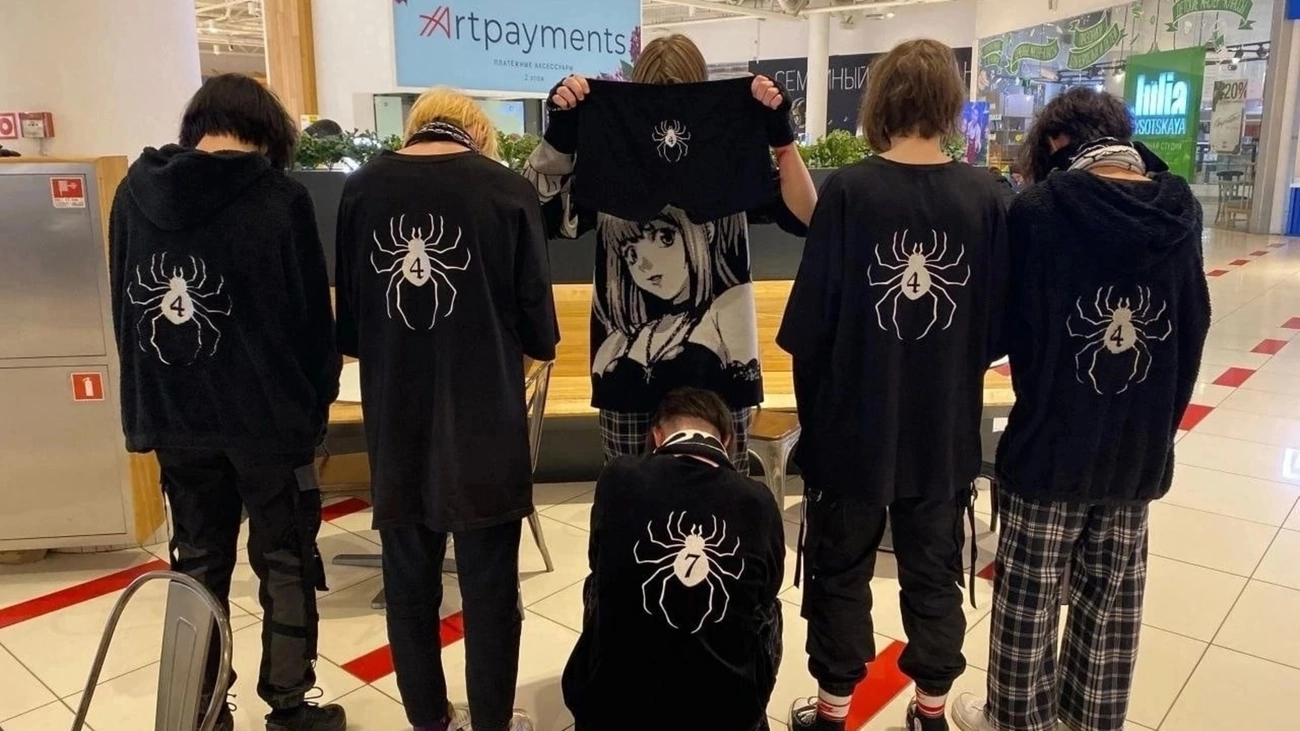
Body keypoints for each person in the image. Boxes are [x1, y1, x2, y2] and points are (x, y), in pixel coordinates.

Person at [951, 88, 1210, 731]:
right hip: (1137, 450)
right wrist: (1159, 424)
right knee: (1111, 602)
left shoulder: (1040, 212)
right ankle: (1090, 719)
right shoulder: (1181, 212)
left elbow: (1005, 328)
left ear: (1057, 142)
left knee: (1029, 598)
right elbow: (1194, 326)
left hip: (1051, 441)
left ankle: (1015, 719)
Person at [777, 40, 1009, 731]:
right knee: (934, 570)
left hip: (852, 427)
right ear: (948, 102)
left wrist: (817, 424)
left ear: (879, 100)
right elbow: (995, 330)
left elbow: (810, 328)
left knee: (840, 569)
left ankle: (832, 710)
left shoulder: (850, 193)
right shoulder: (985, 197)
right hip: (943, 429)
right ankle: (931, 710)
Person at [107, 73, 344, 731]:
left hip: (175, 418)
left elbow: (125, 306)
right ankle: (290, 704)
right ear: (269, 132)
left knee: (197, 562)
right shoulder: (280, 197)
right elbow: (310, 322)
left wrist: (148, 402)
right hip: (270, 422)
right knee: (285, 560)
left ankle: (201, 709)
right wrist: (316, 402)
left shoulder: (133, 194)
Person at [333, 88, 559, 731]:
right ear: (479, 134)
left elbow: (352, 331)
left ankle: (430, 720)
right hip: (486, 425)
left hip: (396, 423)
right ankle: (492, 721)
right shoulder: (508, 191)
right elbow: (540, 335)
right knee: (491, 591)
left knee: (408, 587)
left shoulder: (361, 192)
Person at [524, 33, 817, 470]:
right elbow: (534, 214)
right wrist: (561, 138)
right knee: (653, 497)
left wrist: (782, 139)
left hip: (716, 372)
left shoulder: (724, 151)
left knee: (676, 497)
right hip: (638, 376)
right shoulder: (613, 156)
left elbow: (806, 215)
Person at [563, 387, 785, 731]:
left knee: (601, 578)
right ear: (726, 440)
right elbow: (768, 587)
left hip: (612, 709)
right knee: (767, 606)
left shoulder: (618, 476)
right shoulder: (757, 499)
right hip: (726, 714)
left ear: (657, 435)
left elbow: (597, 559)